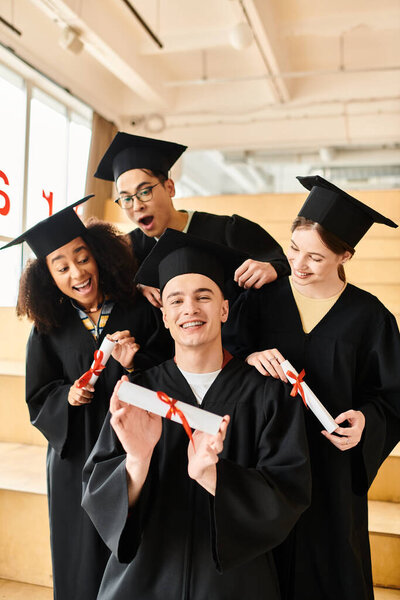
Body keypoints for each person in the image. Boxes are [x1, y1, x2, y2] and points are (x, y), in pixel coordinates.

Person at [82, 229, 311, 600]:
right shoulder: (139, 394)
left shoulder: (268, 395)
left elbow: (290, 491)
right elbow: (96, 489)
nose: (190, 309)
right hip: (145, 577)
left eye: (203, 296)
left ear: (224, 309)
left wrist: (215, 476)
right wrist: (137, 463)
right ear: (166, 316)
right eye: (176, 301)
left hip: (233, 584)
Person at [225, 175, 400, 600]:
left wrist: (366, 422)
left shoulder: (370, 317)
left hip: (330, 467)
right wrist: (247, 357)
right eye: (293, 250)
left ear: (345, 255)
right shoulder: (262, 299)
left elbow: (392, 395)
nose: (299, 266)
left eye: (316, 258)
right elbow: (226, 354)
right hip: (264, 458)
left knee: (331, 566)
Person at [1, 197, 173, 600]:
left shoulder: (140, 309)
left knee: (139, 545)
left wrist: (136, 364)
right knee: (79, 554)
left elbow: (169, 374)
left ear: (99, 256)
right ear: (48, 277)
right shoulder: (49, 327)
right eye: (62, 267)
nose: (77, 272)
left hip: (132, 448)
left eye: (83, 258)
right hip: (76, 455)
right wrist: (69, 396)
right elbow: (39, 396)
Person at [94, 131, 289, 307]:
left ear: (170, 187)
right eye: (126, 198)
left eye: (144, 192)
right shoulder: (129, 250)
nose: (137, 205)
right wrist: (136, 286)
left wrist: (272, 268)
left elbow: (279, 262)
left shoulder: (227, 231)